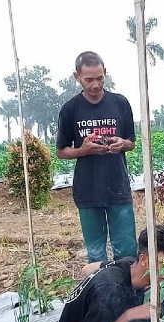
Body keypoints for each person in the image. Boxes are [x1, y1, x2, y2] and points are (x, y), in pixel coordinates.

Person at [56, 51, 137, 262]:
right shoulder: (70, 109)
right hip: (88, 191)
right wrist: (83, 150)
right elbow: (61, 151)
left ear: (105, 73)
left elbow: (131, 142)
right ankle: (100, 292)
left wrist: (121, 144)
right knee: (96, 253)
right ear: (77, 77)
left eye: (100, 78)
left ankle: (127, 292)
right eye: (88, 80)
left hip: (118, 188)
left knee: (127, 251)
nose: (95, 85)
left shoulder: (120, 103)